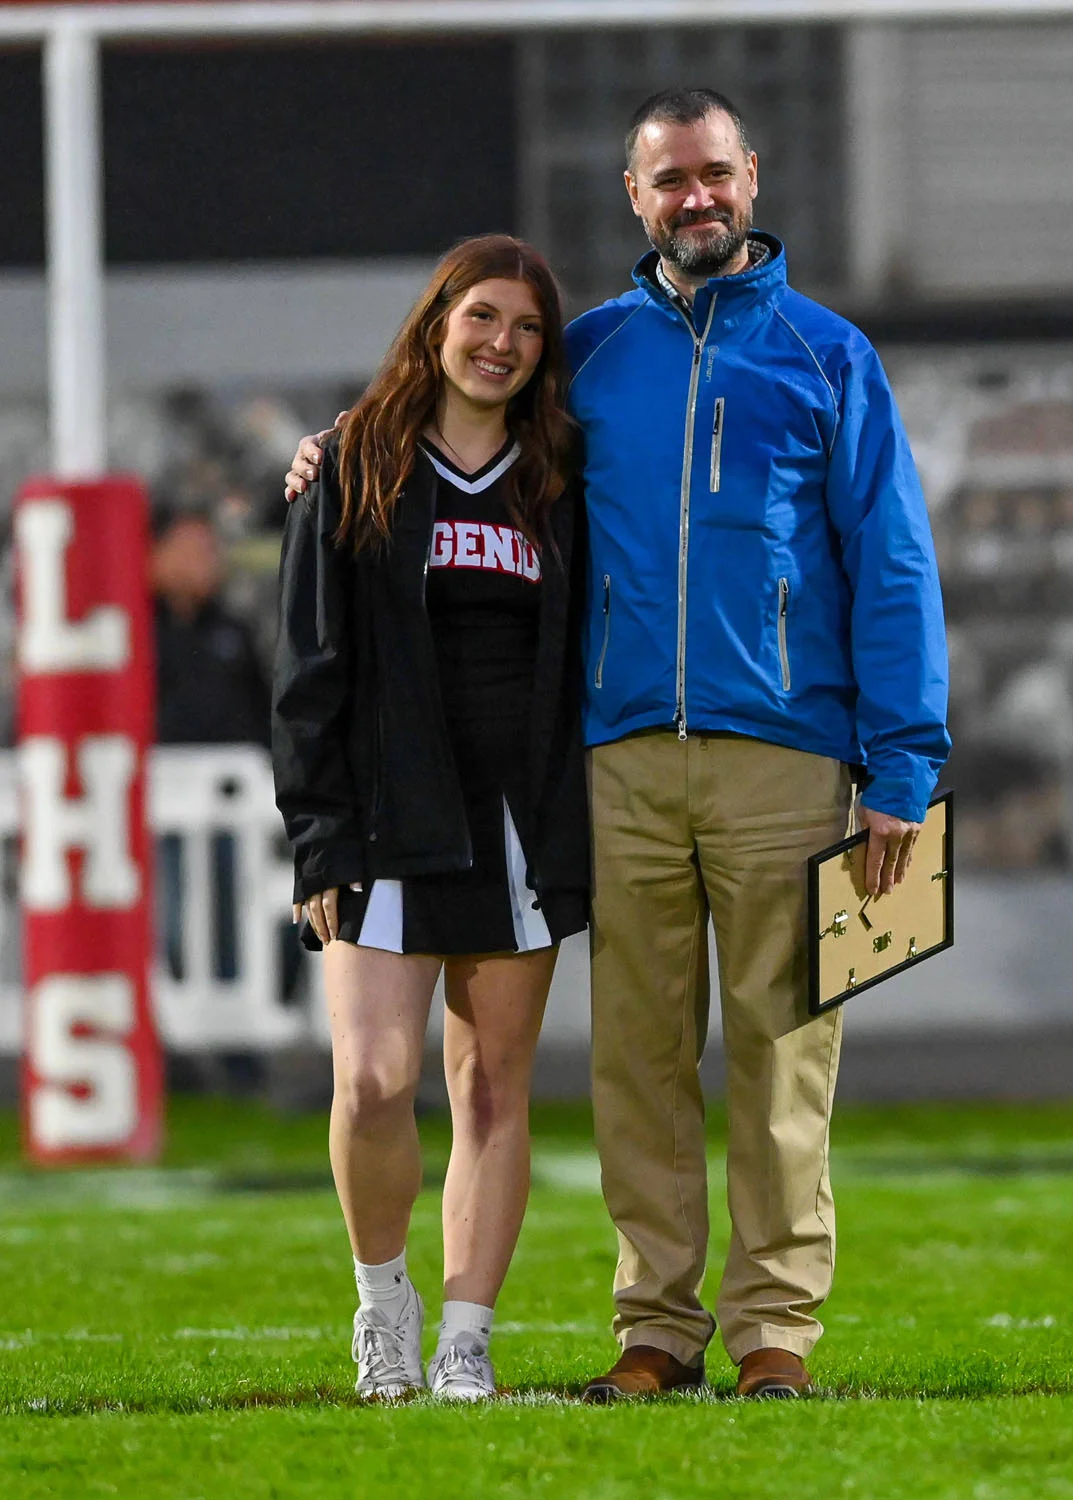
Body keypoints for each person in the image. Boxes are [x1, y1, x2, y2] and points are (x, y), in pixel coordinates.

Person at [285, 88, 950, 1401]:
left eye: (715, 174)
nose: (695, 199)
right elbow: (449, 426)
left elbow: (892, 565)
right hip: (615, 765)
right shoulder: (579, 356)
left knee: (784, 1058)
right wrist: (333, 448)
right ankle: (656, 1329)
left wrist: (904, 771)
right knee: (637, 1066)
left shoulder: (832, 357)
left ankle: (774, 1335)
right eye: (669, 182)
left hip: (794, 763)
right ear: (635, 200)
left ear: (751, 177)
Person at [272, 235, 589, 1402]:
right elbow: (309, 667)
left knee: (494, 1088)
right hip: (385, 817)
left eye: (527, 327)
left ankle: (465, 1336)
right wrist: (317, 831)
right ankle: (382, 1306)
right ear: (436, 322)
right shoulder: (352, 463)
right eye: (483, 317)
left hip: (518, 823)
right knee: (371, 1080)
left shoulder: (561, 474)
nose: (502, 343)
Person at [152, 506, 270, 995]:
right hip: (157, 808)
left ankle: (238, 1054)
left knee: (235, 920)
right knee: (170, 922)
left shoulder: (231, 631)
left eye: (210, 549)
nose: (207, 561)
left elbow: (263, 712)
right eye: (192, 549)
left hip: (231, 807)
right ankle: (175, 1041)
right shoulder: (129, 632)